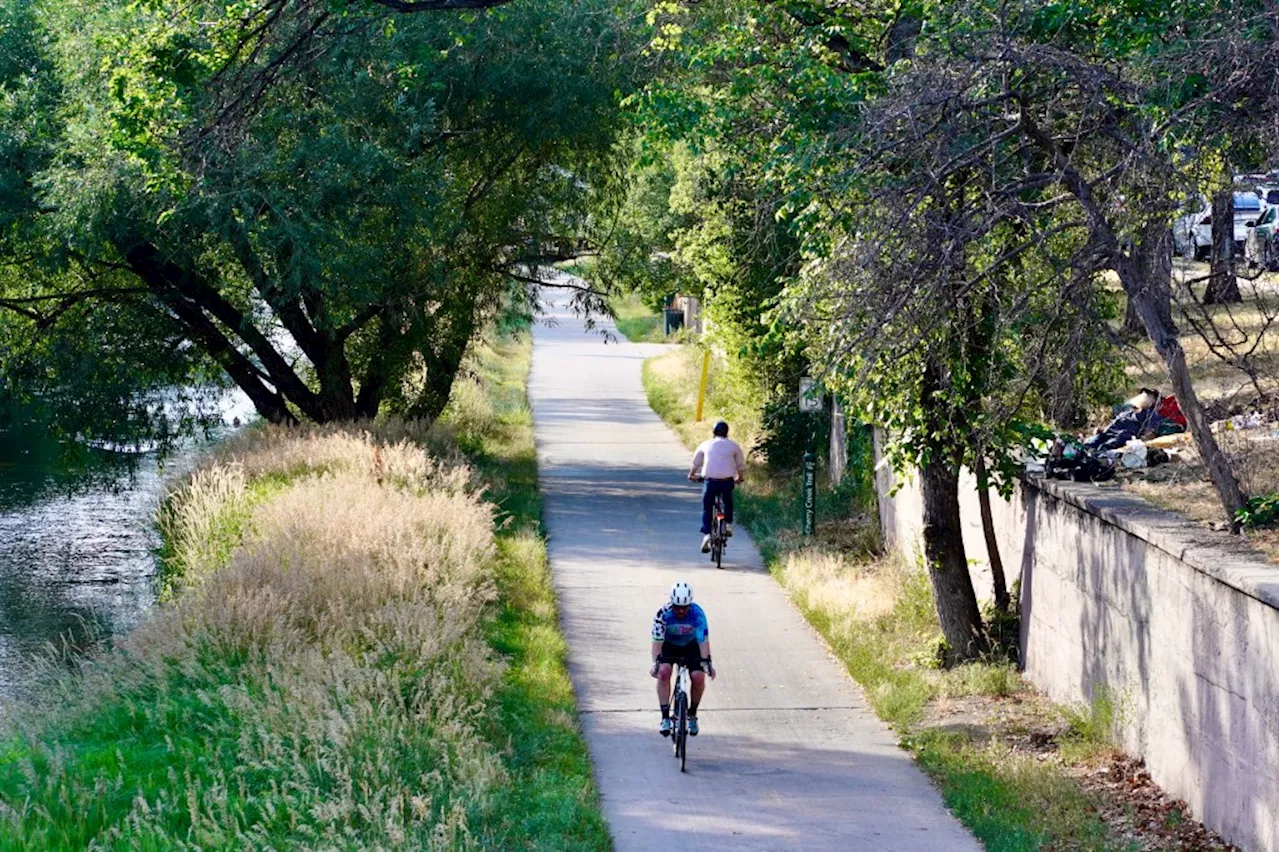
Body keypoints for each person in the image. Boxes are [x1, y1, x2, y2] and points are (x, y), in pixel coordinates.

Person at [650, 581, 715, 736]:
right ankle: (665, 717)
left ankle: (692, 714)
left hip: (691, 646)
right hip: (669, 645)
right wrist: (656, 664)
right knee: (664, 672)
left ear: (690, 604)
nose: (680, 611)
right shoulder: (663, 614)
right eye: (676, 607)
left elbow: (703, 641)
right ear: (671, 603)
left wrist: (706, 663)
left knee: (698, 677)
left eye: (684, 607)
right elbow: (657, 642)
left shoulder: (697, 614)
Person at [687, 420, 745, 553]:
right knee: (728, 502)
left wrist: (691, 474)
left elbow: (696, 463)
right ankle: (728, 524)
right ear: (727, 432)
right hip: (726, 481)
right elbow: (740, 465)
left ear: (713, 432)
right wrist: (739, 477)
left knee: (707, 508)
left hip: (710, 481)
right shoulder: (734, 446)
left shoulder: (706, 444)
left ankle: (707, 534)